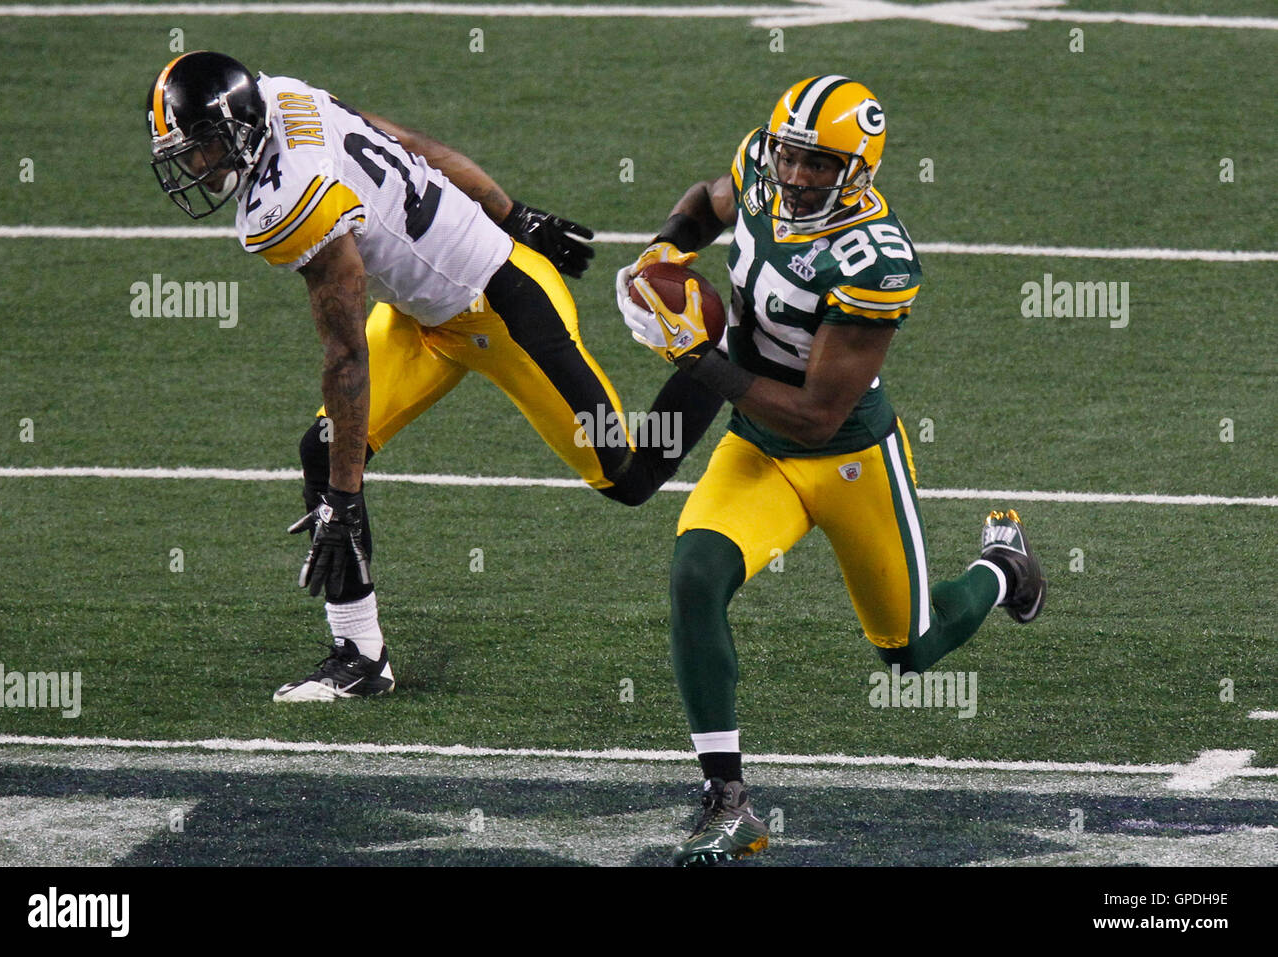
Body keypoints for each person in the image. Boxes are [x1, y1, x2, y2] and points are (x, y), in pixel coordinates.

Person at [147, 51, 723, 702]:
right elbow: (411, 144)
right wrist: (509, 207)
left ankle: (719, 358)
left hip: (501, 306)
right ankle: (360, 656)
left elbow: (344, 353)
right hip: (423, 313)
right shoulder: (282, 97)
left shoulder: (285, 202)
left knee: (628, 476)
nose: (194, 166)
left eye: (201, 147)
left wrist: (345, 494)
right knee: (324, 449)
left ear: (241, 129)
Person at [617, 75, 1046, 866]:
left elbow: (815, 411)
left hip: (847, 457)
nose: (798, 174)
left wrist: (694, 356)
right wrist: (664, 250)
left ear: (859, 170)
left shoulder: (875, 258)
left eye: (820, 163)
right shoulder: (760, 165)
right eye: (792, 155)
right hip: (756, 446)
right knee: (695, 573)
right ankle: (728, 799)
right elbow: (710, 199)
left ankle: (1002, 566)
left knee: (908, 650)